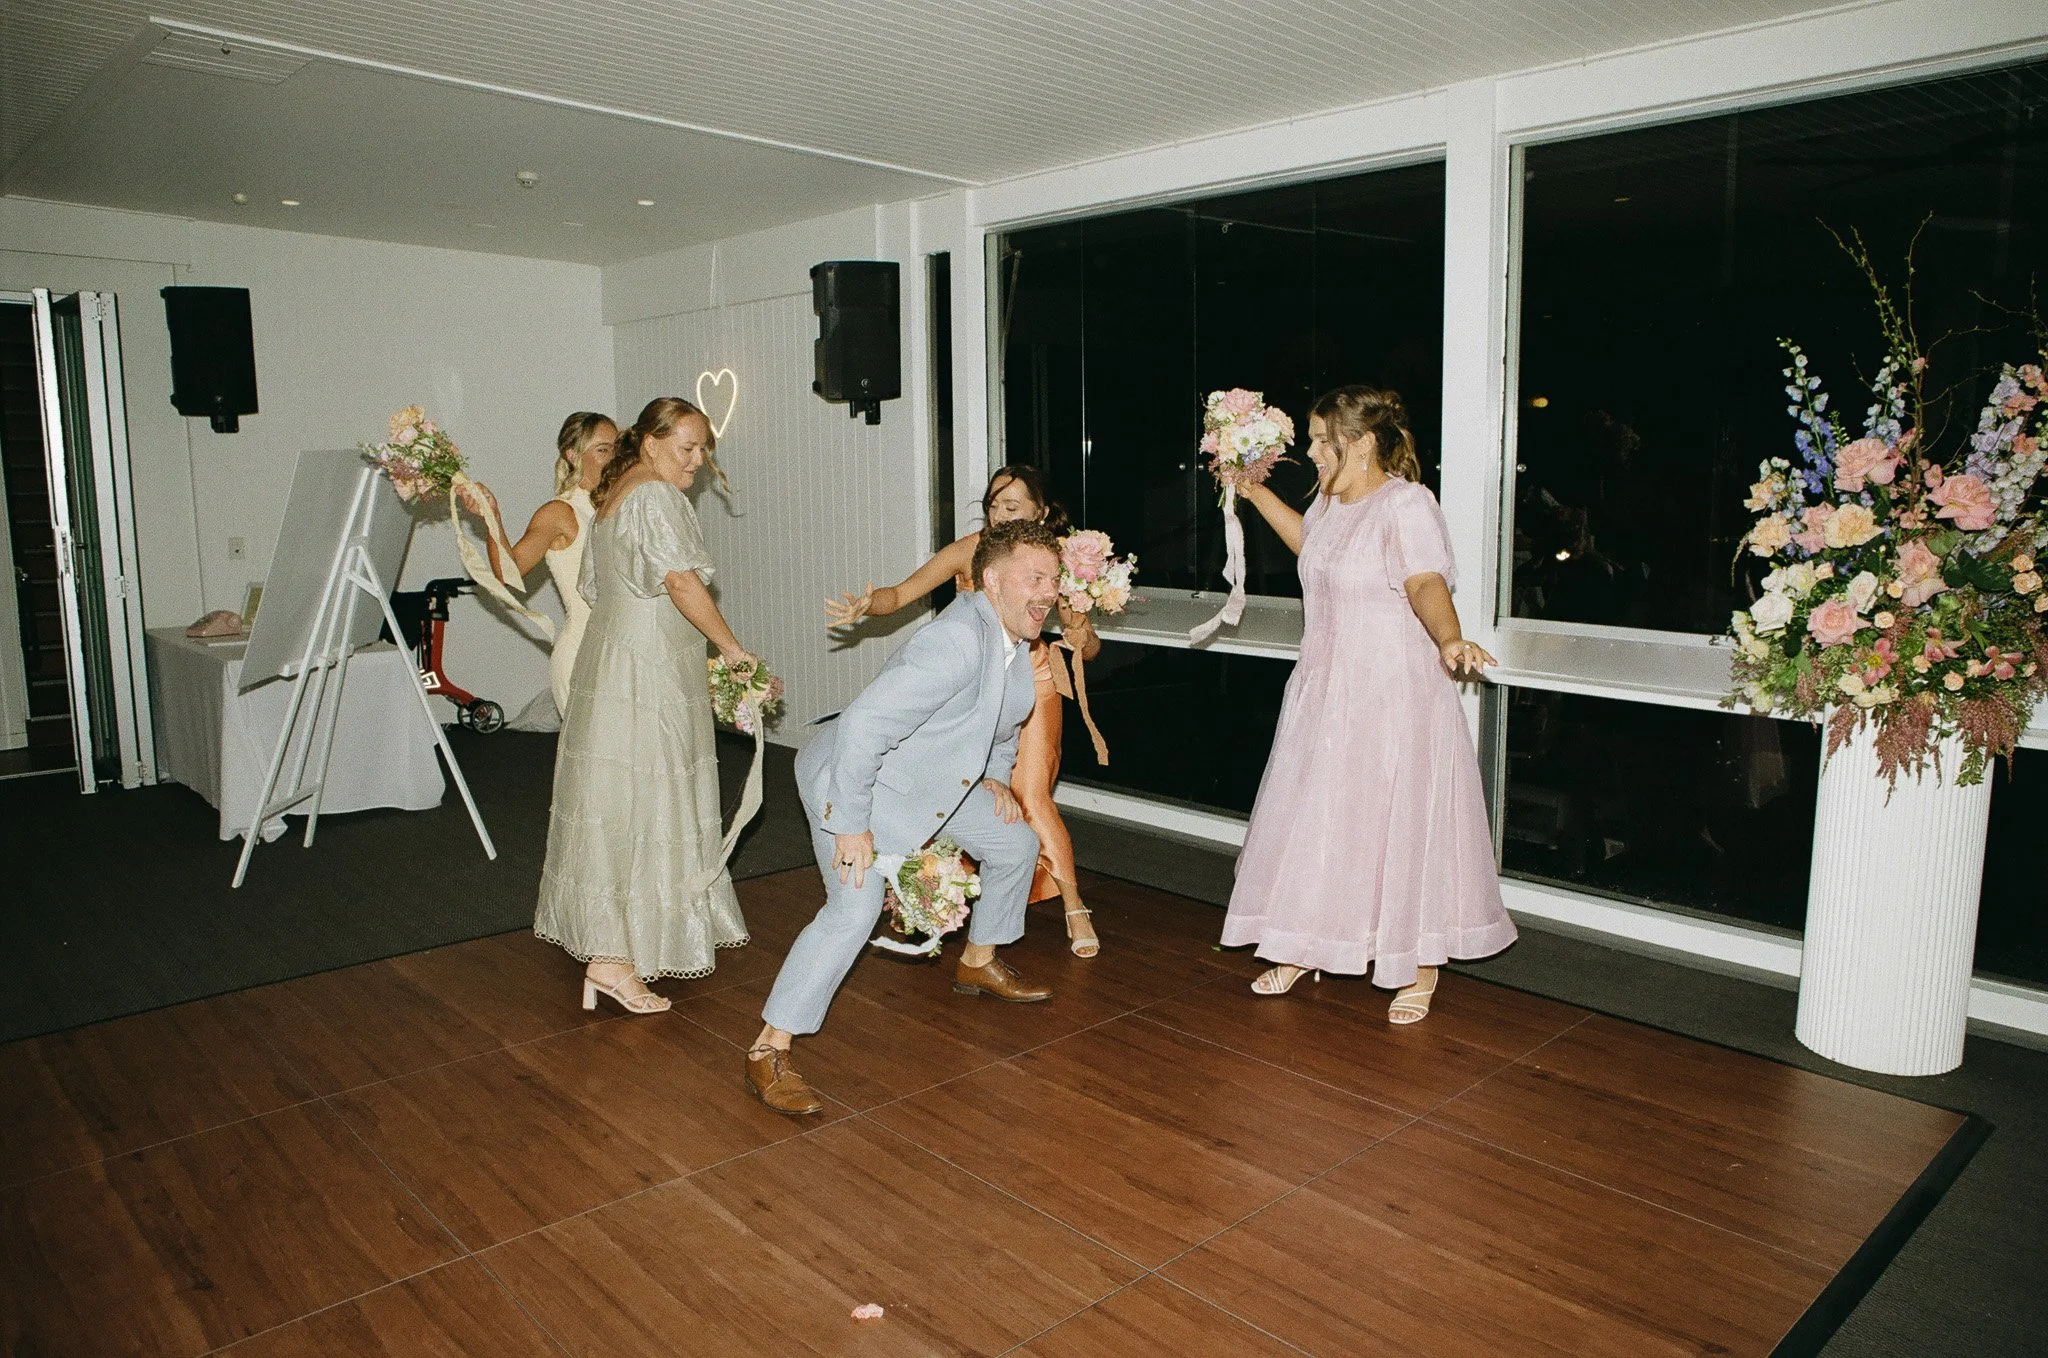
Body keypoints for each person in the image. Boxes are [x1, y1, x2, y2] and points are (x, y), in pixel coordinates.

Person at [1220, 385, 1517, 1023]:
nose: (1310, 449)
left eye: (1320, 439)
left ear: (1356, 443)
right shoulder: (1328, 503)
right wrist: (1252, 491)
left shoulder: (1406, 504)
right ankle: (1310, 939)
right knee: (1323, 818)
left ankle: (1421, 961)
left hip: (1392, 696)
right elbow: (1314, 547)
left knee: (1398, 823)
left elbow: (1424, 579)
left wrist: (1451, 637)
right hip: (1327, 688)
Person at [748, 519, 1063, 1114]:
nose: (1048, 591)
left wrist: (996, 774)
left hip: (933, 781)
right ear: (991, 581)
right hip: (850, 784)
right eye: (1035, 577)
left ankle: (978, 962)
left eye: (1054, 578)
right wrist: (851, 824)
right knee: (854, 911)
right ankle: (770, 1048)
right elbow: (863, 727)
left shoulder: (1014, 641)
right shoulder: (957, 641)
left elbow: (1004, 723)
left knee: (1015, 844)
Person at [825, 466, 1104, 958]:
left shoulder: (1054, 561)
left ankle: (1073, 904)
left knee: (1032, 795)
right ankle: (935, 902)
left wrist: (1084, 639)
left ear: (1040, 512)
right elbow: (901, 594)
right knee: (954, 789)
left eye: (1012, 507)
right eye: (993, 505)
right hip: (973, 679)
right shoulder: (970, 550)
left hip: (1029, 682)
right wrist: (869, 604)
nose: (999, 515)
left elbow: (1087, 641)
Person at [533, 397, 753, 1013]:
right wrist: (733, 651)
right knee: (643, 801)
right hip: (645, 673)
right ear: (651, 442)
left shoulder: (614, 496)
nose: (699, 460)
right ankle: (612, 960)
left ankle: (611, 953)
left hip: (615, 663)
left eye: (705, 448)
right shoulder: (655, 496)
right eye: (687, 447)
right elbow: (680, 582)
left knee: (618, 801)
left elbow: (596, 590)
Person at [458, 411, 617, 721]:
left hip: (620, 651)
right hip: (584, 653)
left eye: (616, 447)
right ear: (573, 455)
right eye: (602, 449)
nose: (613, 457)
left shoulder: (617, 506)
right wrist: (492, 517)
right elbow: (508, 572)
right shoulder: (560, 512)